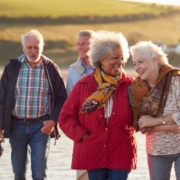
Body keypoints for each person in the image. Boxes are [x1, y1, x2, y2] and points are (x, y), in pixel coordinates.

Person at [59, 31, 137, 180]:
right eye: (115, 58)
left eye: (122, 58)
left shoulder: (131, 85)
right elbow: (65, 117)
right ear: (101, 58)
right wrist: (82, 135)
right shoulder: (83, 85)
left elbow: (141, 116)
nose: (120, 62)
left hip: (121, 150)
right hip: (92, 149)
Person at [0, 30, 67, 180]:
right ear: (23, 47)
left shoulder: (51, 68)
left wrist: (53, 121)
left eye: (36, 47)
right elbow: (1, 99)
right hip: (16, 125)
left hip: (41, 126)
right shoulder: (12, 68)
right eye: (29, 47)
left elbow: (62, 98)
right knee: (18, 173)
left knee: (39, 174)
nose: (33, 51)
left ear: (42, 47)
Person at [128, 41, 180, 180]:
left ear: (155, 61)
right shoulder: (136, 88)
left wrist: (157, 121)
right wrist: (172, 126)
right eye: (135, 63)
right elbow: (141, 124)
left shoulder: (175, 80)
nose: (137, 67)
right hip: (156, 150)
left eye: (141, 62)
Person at [66, 29, 95, 95]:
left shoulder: (105, 68)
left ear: (93, 45)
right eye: (78, 44)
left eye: (83, 44)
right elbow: (69, 98)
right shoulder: (72, 70)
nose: (79, 47)